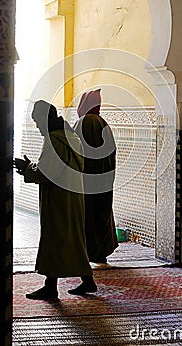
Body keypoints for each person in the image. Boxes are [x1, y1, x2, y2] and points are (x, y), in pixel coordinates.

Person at [14, 100, 97, 298]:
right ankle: (87, 281)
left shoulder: (54, 139)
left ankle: (51, 287)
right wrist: (33, 167)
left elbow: (47, 171)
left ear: (44, 118)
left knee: (55, 237)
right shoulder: (69, 135)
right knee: (73, 238)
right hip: (73, 195)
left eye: (37, 121)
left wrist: (27, 168)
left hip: (59, 198)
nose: (37, 126)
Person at [73, 89, 118, 264]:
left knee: (87, 215)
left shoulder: (83, 123)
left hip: (86, 181)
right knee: (102, 212)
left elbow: (75, 152)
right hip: (104, 181)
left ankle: (87, 253)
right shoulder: (103, 123)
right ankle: (101, 252)